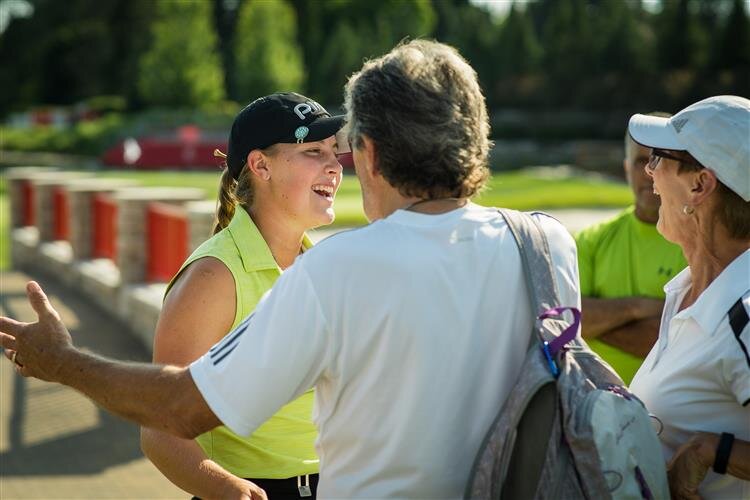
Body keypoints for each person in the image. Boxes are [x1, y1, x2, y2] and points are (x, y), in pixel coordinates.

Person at [0, 40, 580, 499]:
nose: (338, 166)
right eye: (317, 151)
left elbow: (179, 405)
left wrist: (64, 363)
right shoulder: (548, 242)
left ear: (371, 153)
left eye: (344, 150)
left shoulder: (332, 270)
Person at [144, 92, 345, 499]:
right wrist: (229, 490)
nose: (334, 167)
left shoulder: (319, 264)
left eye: (333, 152)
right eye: (312, 151)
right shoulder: (214, 277)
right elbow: (159, 429)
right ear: (260, 165)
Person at [626, 95, 750, 499]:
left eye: (658, 158)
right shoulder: (688, 292)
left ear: (700, 184)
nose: (649, 171)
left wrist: (711, 452)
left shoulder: (744, 314)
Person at [576, 114, 687, 384]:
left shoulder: (696, 240)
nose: (650, 172)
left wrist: (596, 323)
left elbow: (683, 339)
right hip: (600, 407)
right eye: (640, 161)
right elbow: (571, 320)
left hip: (671, 418)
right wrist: (640, 307)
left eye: (660, 160)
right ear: (626, 168)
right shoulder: (592, 239)